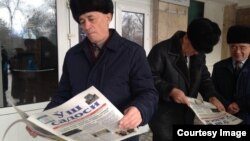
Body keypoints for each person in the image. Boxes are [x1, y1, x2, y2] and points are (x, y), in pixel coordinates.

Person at [27, 0, 158, 141]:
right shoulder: (73, 55)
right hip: (82, 136)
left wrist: (139, 109)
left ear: (108, 17)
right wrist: (43, 121)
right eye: (82, 21)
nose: (86, 26)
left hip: (120, 135)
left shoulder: (132, 53)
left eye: (91, 18)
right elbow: (62, 95)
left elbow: (148, 92)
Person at [147, 18, 225, 141]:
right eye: (194, 49)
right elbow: (149, 78)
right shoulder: (161, 50)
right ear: (186, 38)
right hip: (164, 117)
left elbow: (204, 78)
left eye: (199, 51)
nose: (196, 53)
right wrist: (170, 90)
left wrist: (211, 96)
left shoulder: (198, 53)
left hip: (188, 115)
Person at [212, 25, 250, 124]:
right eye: (233, 46)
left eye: (242, 47)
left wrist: (240, 105)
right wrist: (227, 104)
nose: (237, 51)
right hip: (224, 116)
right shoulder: (219, 67)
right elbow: (213, 91)